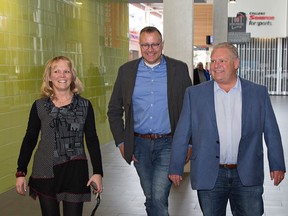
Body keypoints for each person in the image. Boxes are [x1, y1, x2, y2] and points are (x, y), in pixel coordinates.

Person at [168, 42, 286, 216]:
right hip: (210, 174)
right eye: (213, 61)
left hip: (247, 173)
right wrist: (176, 166)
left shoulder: (257, 93)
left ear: (236, 63)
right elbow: (182, 133)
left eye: (222, 60)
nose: (216, 65)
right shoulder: (194, 94)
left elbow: (271, 131)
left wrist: (277, 165)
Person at [107, 26, 192, 216]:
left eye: (155, 44)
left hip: (169, 143)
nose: (150, 49)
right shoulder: (126, 71)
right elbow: (114, 110)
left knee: (159, 196)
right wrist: (121, 142)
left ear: (162, 45)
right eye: (145, 44)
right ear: (140, 45)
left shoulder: (178, 69)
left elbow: (190, 109)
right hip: (138, 144)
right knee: (151, 196)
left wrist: (189, 143)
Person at [15, 56, 104, 216]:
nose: (61, 76)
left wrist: (98, 172)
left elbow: (92, 140)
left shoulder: (85, 105)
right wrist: (21, 171)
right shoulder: (39, 106)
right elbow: (30, 139)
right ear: (49, 77)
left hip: (75, 172)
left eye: (66, 71)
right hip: (45, 170)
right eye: (56, 71)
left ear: (72, 76)